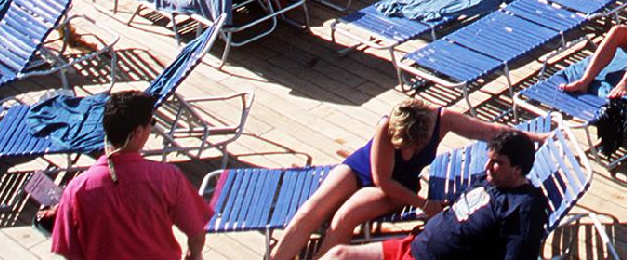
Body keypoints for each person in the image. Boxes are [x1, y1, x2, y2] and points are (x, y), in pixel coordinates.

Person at [267, 101, 528, 260]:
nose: (405, 152)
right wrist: (426, 206)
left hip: (399, 186)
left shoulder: (441, 120)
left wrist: (532, 140)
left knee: (344, 218)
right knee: (311, 210)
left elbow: (488, 130)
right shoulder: (387, 125)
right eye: (399, 145)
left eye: (411, 147)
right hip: (368, 171)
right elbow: (381, 179)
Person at [328, 127, 547, 260]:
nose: (487, 166)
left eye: (497, 162)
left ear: (518, 169)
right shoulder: (489, 180)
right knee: (337, 255)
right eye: (489, 158)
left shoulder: (524, 207)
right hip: (415, 244)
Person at [50, 91, 211, 260]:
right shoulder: (166, 177)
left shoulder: (78, 189)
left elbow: (68, 250)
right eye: (152, 122)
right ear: (138, 131)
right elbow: (197, 232)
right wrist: (193, 256)